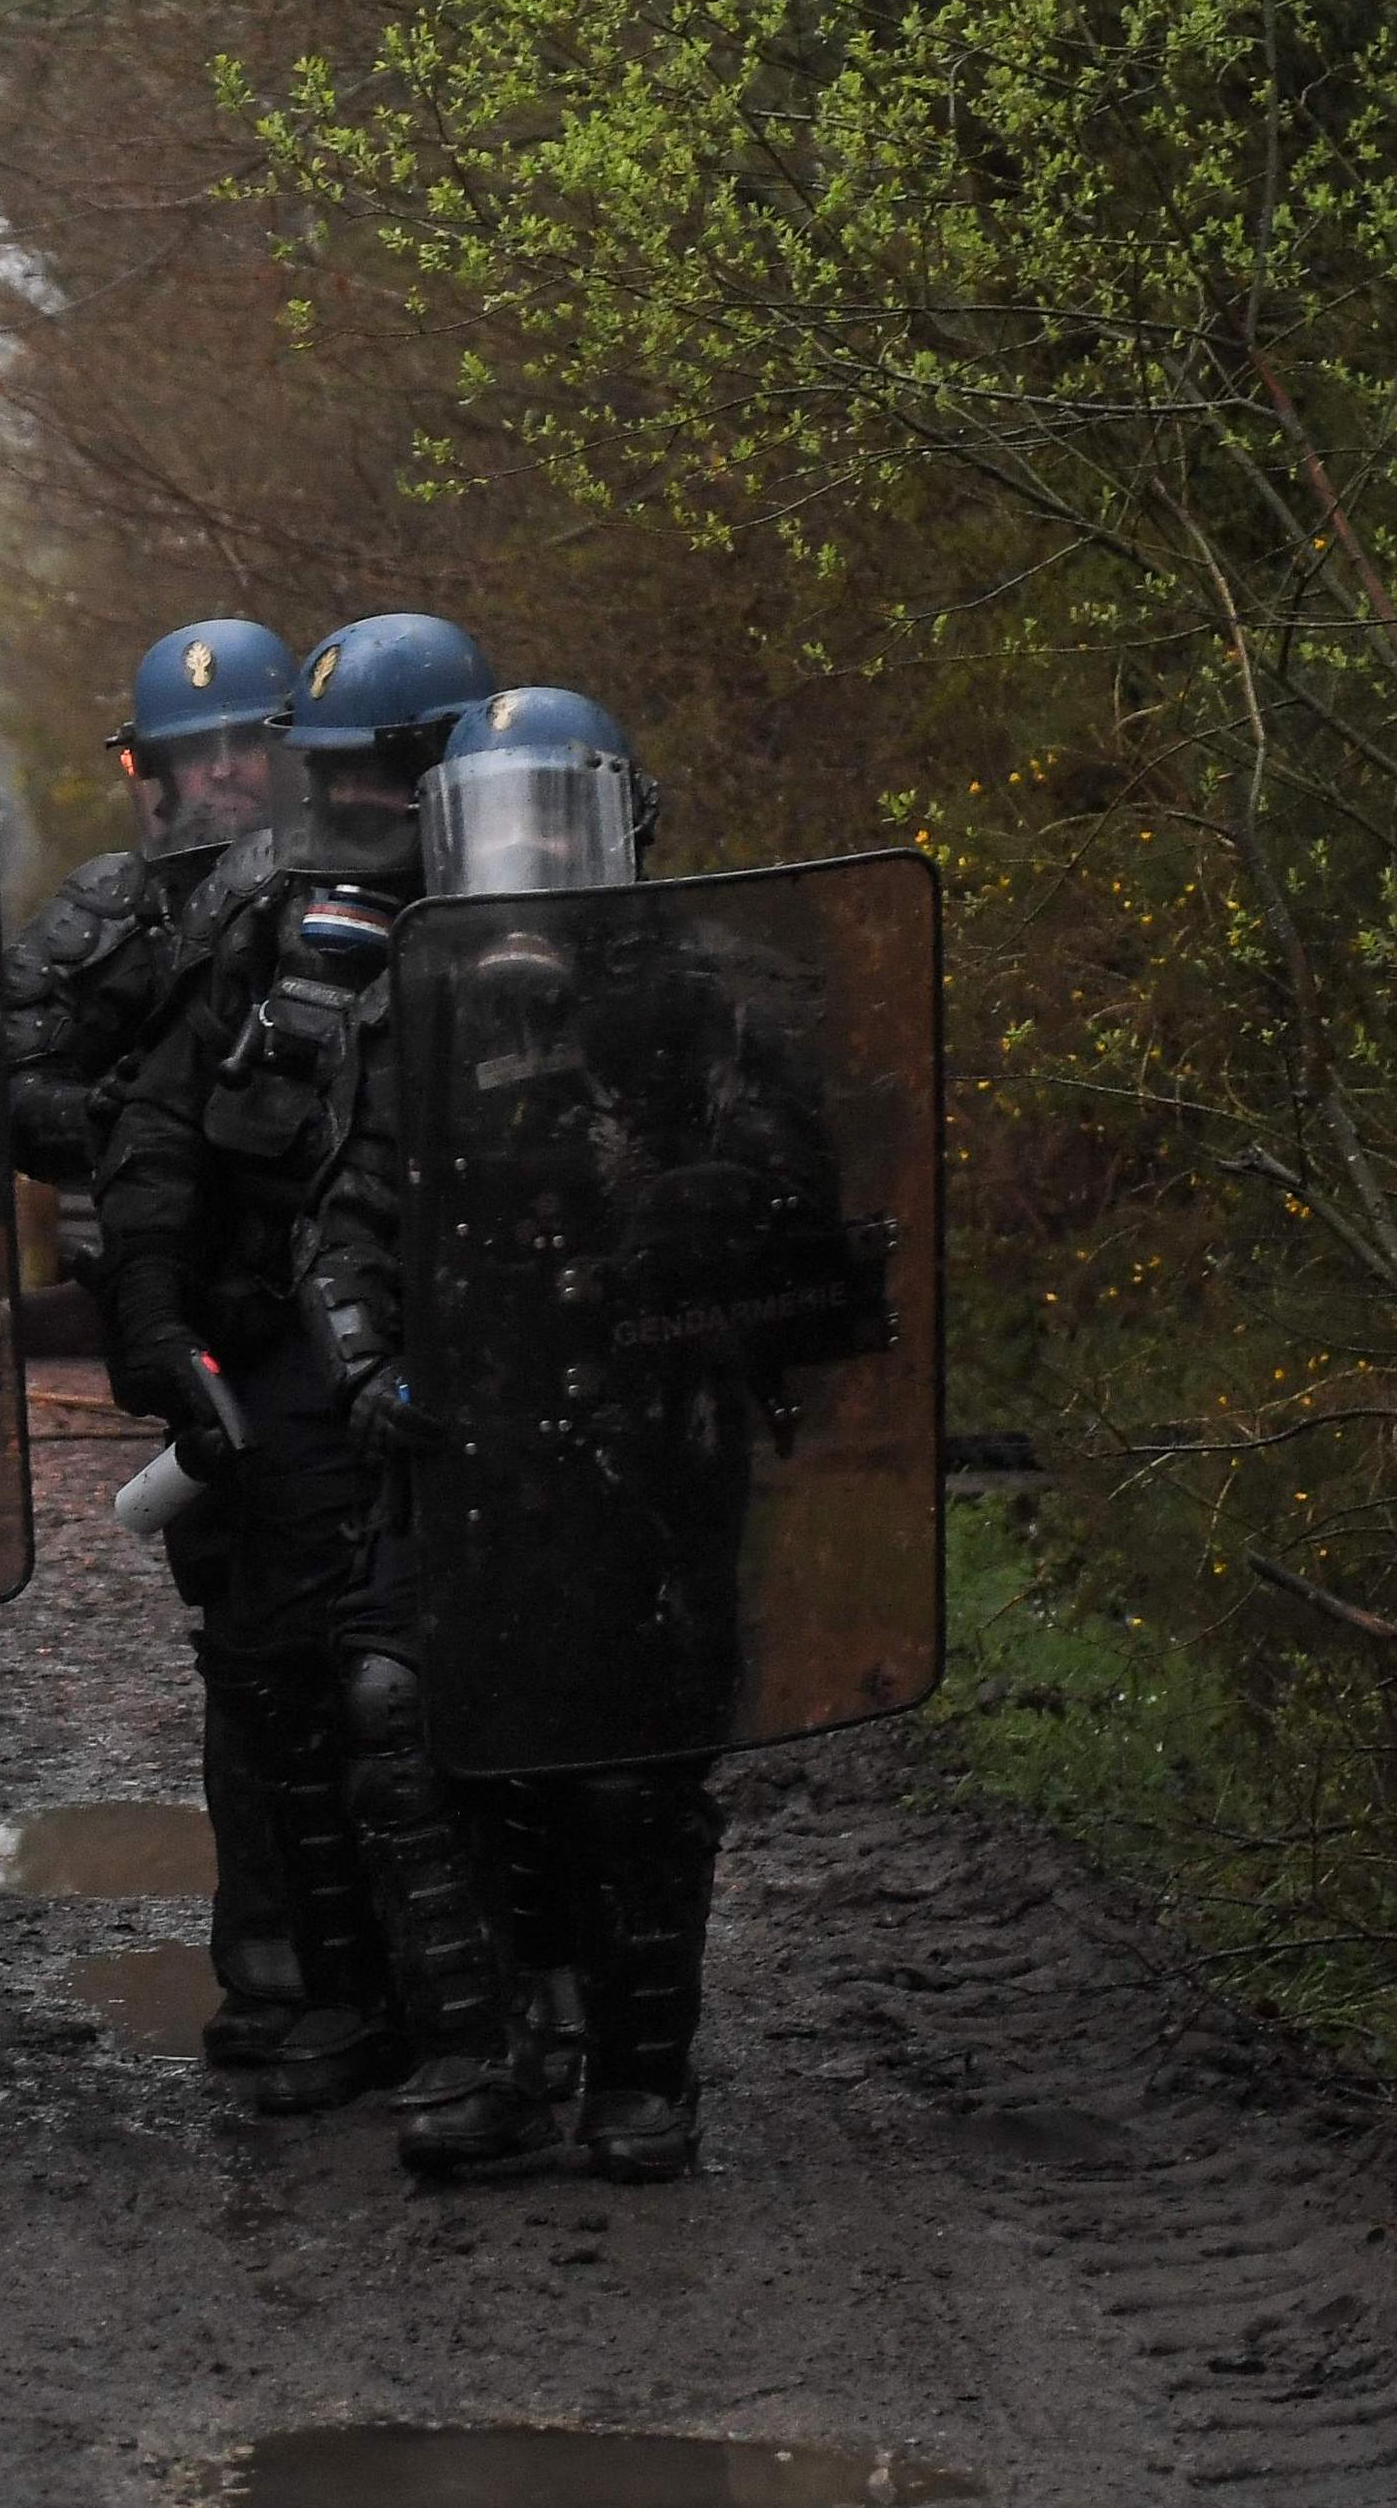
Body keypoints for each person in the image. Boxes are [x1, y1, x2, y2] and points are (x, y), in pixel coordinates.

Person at [310, 686, 866, 2181]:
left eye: (558, 817)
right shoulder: (404, 1008)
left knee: (632, 1759)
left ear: (623, 825)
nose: (529, 852)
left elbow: (810, 1237)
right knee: (393, 1707)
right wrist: (366, 1363)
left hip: (646, 1440)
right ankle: (475, 2048)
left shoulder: (713, 1007)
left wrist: (705, 1221)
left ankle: (638, 2072)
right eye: (499, 821)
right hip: (465, 1448)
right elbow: (343, 1229)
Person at [92, 612, 493, 2115]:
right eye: (326, 782)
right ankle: (337, 1989)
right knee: (276, 1681)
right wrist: (150, 1313)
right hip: (282, 1362)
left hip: (466, 1374)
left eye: (374, 784)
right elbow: (157, 1133)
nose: (349, 816)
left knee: (428, 1693)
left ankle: (486, 1998)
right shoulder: (263, 923)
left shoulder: (534, 909)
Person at [0, 619, 306, 2070]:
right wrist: (137, 1119)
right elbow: (7, 1083)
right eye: (193, 754)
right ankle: (273, 1958)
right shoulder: (111, 914)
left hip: (348, 1300)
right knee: (252, 1648)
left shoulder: (347, 895)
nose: (223, 774)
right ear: (148, 774)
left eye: (247, 743)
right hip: (196, 1319)